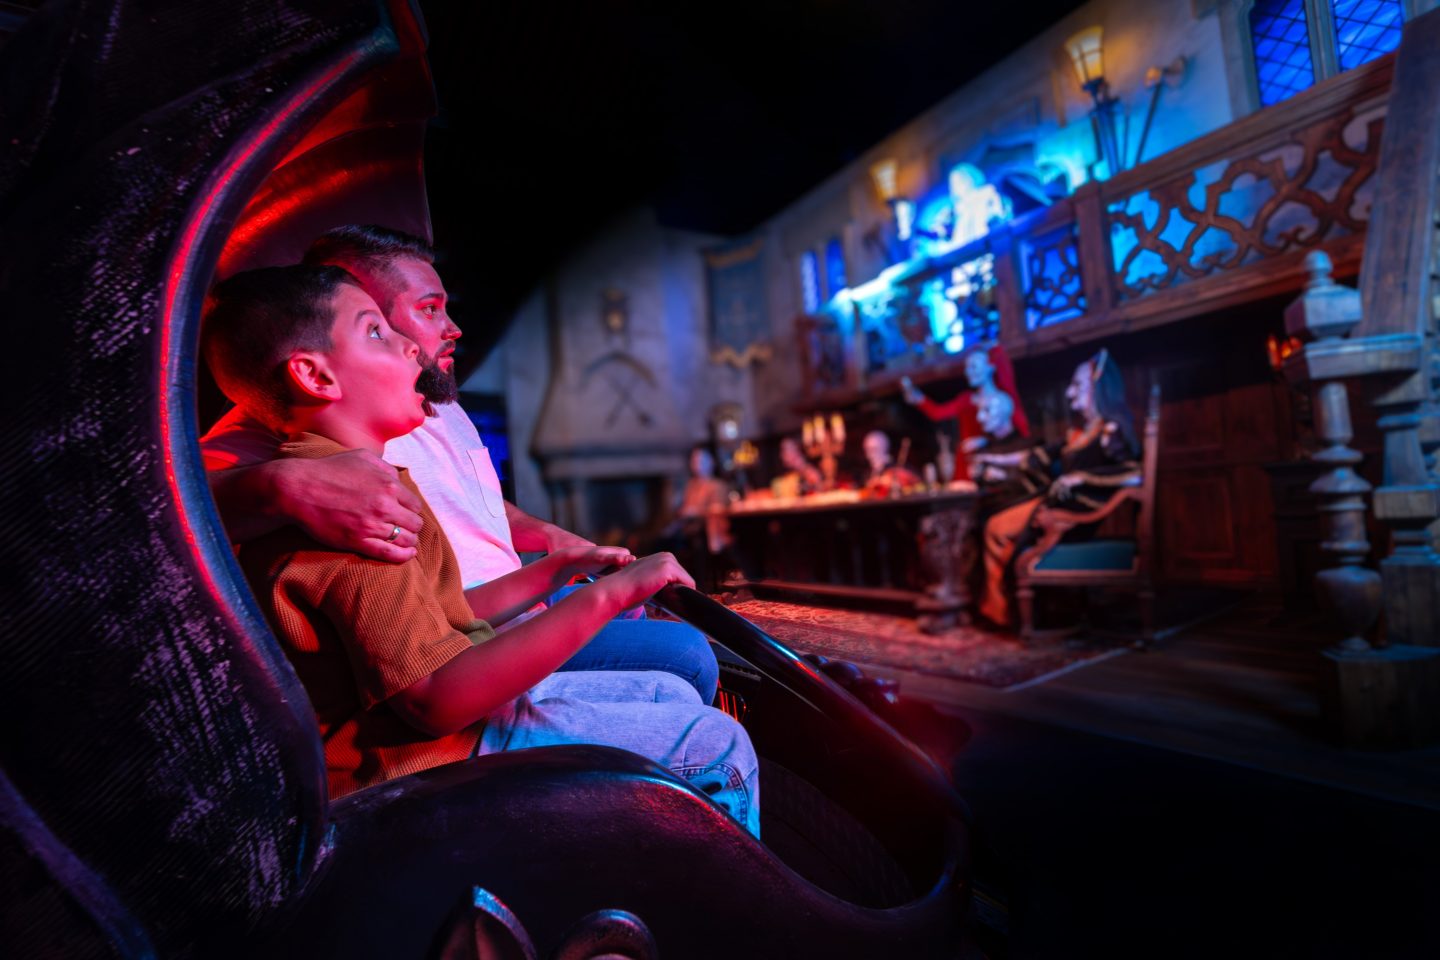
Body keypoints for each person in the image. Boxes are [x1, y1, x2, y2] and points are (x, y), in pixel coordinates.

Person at [200, 264, 759, 835]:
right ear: (314, 375)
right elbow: (435, 702)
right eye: (375, 330)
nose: (410, 347)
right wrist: (607, 597)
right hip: (417, 766)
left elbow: (445, 615)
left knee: (667, 690)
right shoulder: (351, 512)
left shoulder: (374, 478)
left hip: (445, 733)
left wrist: (556, 568)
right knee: (717, 745)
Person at [201, 226, 718, 704]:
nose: (452, 329)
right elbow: (178, 502)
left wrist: (551, 543)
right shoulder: (314, 420)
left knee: (662, 624)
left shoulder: (437, 403)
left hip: (501, 601)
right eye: (428, 310)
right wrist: (282, 484)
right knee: (685, 655)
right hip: (462, 637)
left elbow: (475, 500)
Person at [974, 349, 1140, 628]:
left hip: (1073, 515)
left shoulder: (1110, 431)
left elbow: (1134, 473)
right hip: (1055, 504)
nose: (1069, 393)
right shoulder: (1079, 434)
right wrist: (993, 459)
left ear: (1097, 387)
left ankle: (1009, 611)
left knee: (996, 529)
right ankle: (1009, 610)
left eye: (1077, 385)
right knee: (992, 525)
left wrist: (1081, 477)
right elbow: (1037, 456)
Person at [900, 343, 1031, 449]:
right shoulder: (967, 399)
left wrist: (986, 443)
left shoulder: (1002, 397)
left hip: (1007, 452)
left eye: (974, 366)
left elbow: (1013, 436)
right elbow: (938, 413)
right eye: (967, 367)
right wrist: (917, 397)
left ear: (990, 367)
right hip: (975, 457)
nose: (968, 372)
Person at [860, 430, 920, 497]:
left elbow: (917, 485)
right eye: (866, 450)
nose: (868, 455)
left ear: (884, 448)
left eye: (873, 449)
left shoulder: (899, 469)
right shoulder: (867, 473)